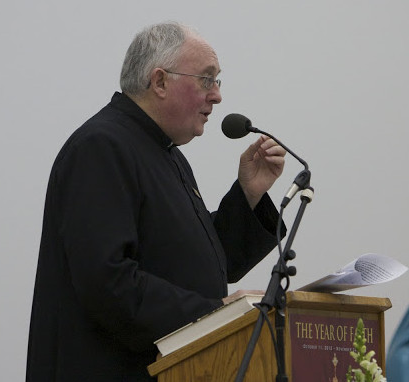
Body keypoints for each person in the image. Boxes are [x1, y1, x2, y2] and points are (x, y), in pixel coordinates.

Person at [26, 22, 287, 381]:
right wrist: (211, 314)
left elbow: (201, 267)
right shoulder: (101, 147)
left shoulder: (167, 154)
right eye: (207, 79)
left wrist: (248, 194)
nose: (217, 96)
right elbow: (108, 281)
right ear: (160, 81)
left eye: (217, 81)